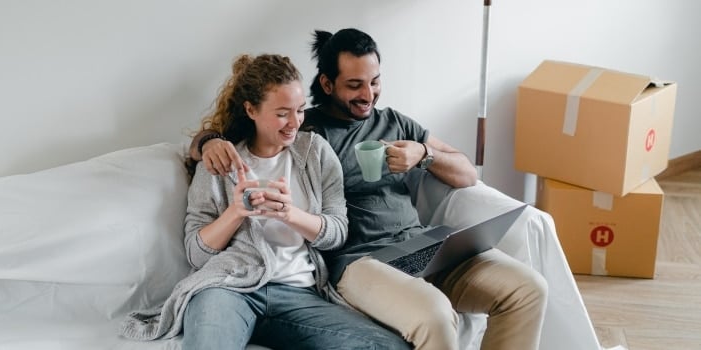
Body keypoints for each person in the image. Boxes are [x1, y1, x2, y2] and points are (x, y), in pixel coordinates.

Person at [190, 29, 549, 350]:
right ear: (328, 84)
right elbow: (239, 134)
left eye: (374, 82)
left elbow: (466, 173)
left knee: (527, 289)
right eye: (355, 85)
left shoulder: (395, 122)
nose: (368, 94)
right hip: (361, 261)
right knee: (435, 315)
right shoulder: (308, 133)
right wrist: (208, 142)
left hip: (421, 245)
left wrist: (423, 154)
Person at [120, 53, 411, 350]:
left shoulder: (316, 153)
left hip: (299, 294)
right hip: (228, 289)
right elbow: (197, 253)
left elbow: (337, 233)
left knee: (388, 347)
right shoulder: (220, 161)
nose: (295, 122)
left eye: (299, 110)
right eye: (282, 113)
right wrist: (235, 212)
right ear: (251, 110)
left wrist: (290, 214)